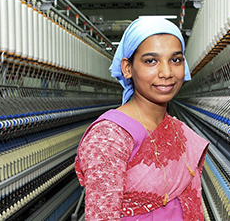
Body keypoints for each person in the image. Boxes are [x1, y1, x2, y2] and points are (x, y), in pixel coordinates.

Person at [74, 17, 209, 220]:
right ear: (127, 68)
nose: (166, 72)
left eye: (176, 60)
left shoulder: (177, 130)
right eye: (151, 61)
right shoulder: (109, 136)